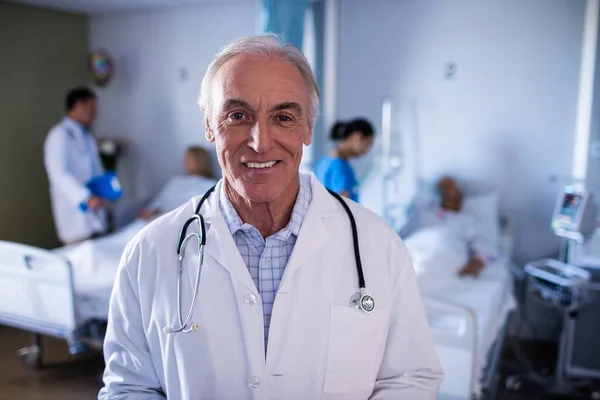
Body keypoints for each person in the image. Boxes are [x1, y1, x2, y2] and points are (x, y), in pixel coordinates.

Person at [99, 33, 443, 399]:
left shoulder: (377, 245)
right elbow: (129, 388)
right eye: (237, 115)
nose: (260, 141)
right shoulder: (149, 253)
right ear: (209, 125)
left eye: (283, 117)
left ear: (308, 127)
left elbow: (410, 379)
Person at [44, 86, 109, 245]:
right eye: (92, 108)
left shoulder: (87, 137)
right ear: (79, 105)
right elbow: (58, 173)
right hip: (75, 219)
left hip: (96, 214)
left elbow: (96, 171)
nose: (96, 114)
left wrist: (106, 193)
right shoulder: (59, 135)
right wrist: (86, 198)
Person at [402, 176, 495, 277]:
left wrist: (474, 265)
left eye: (449, 187)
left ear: (459, 195)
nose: (446, 192)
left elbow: (483, 251)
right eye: (442, 189)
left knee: (423, 273)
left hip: (446, 256)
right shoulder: (423, 215)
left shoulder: (468, 222)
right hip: (413, 254)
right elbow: (403, 238)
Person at [138, 146, 216, 220]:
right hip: (160, 218)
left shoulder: (210, 185)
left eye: (190, 159)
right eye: (186, 159)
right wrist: (150, 212)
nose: (185, 162)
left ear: (200, 161)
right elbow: (159, 202)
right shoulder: (176, 181)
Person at [313, 118, 375, 202]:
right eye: (368, 144)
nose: (366, 151)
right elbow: (343, 206)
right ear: (358, 136)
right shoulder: (341, 167)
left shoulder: (323, 162)